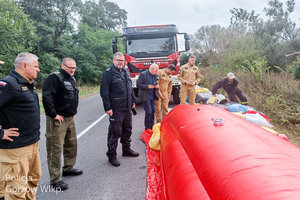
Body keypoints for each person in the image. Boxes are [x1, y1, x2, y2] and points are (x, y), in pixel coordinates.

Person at [0, 52, 42, 200]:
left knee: (33, 181)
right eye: (36, 66)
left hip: (32, 145)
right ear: (24, 66)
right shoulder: (8, 84)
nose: (38, 70)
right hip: (15, 149)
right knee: (17, 191)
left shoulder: (28, 84)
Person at [42, 57, 83, 191]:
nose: (72, 70)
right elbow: (47, 96)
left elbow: (74, 96)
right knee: (56, 148)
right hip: (57, 119)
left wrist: (73, 111)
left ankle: (68, 168)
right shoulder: (54, 77)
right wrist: (53, 114)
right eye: (70, 67)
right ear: (62, 65)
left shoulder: (71, 78)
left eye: (74, 67)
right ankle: (55, 179)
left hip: (70, 118)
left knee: (71, 144)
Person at [100, 52, 139, 167]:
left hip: (127, 108)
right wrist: (108, 107)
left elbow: (130, 89)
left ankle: (126, 149)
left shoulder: (126, 72)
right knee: (115, 132)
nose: (120, 62)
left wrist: (133, 101)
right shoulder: (108, 73)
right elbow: (104, 92)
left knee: (127, 130)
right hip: (116, 108)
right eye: (118, 60)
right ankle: (111, 155)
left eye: (122, 61)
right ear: (113, 60)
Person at [137, 64, 159, 130]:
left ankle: (151, 127)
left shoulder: (155, 75)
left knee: (153, 111)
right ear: (151, 69)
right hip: (145, 96)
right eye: (156, 70)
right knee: (148, 112)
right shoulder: (143, 74)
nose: (157, 71)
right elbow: (138, 84)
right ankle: (147, 128)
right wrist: (147, 86)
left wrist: (157, 87)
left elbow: (156, 83)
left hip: (152, 96)